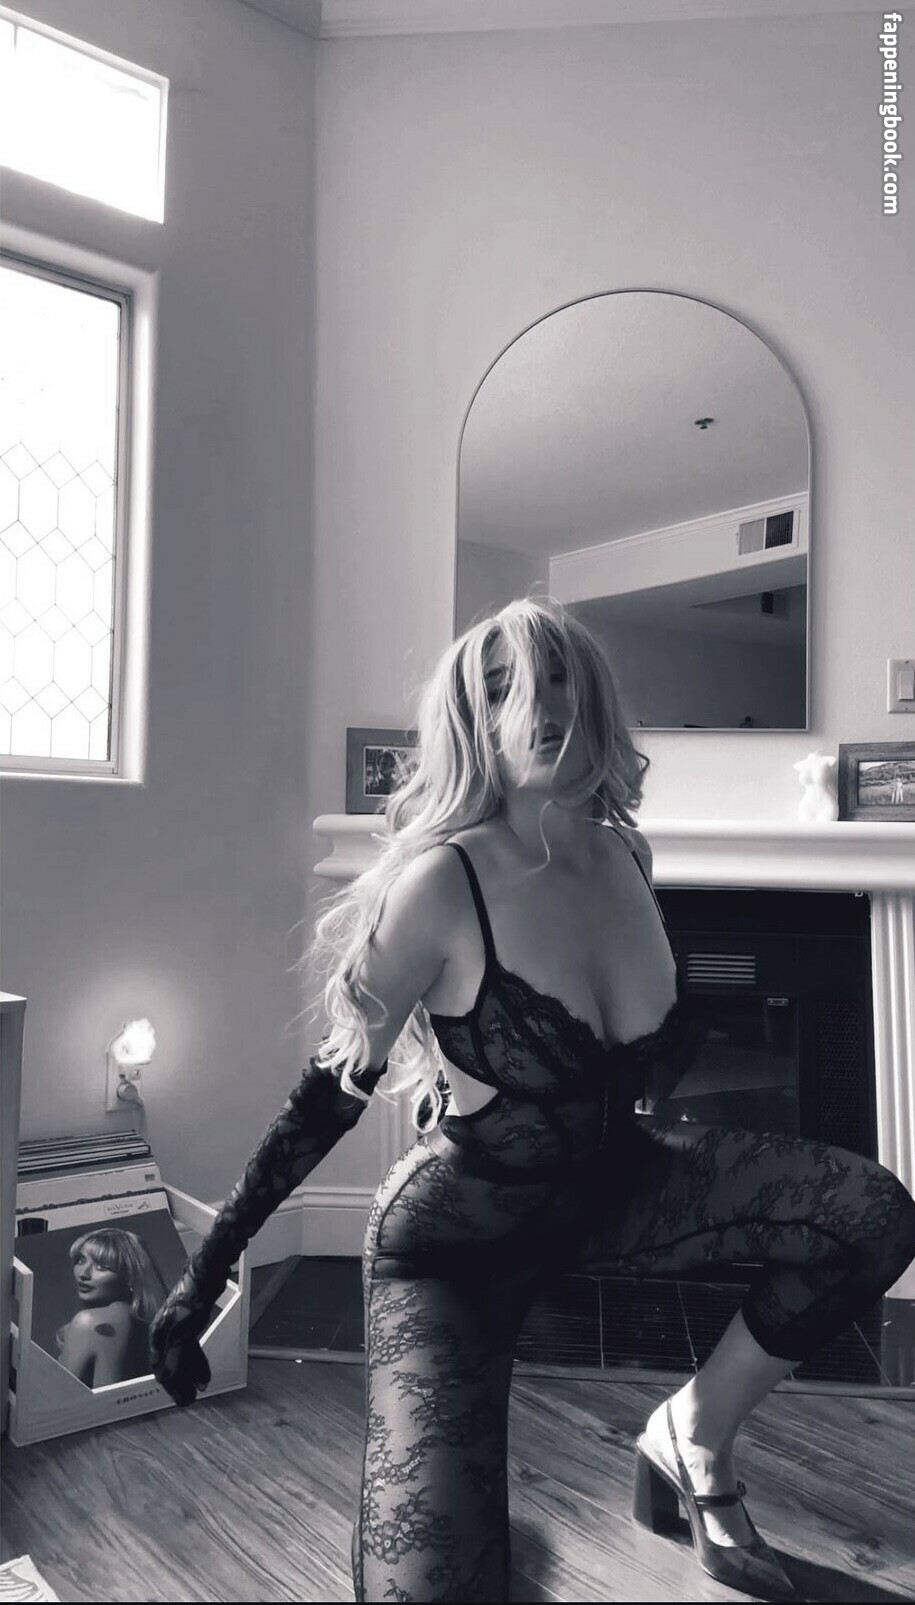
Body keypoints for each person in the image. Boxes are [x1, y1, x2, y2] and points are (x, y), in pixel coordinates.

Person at [150, 596, 915, 1604]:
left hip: (617, 1192)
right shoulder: (440, 882)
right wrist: (204, 1275)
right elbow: (326, 1096)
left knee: (871, 1213)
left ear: (589, 693)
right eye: (505, 687)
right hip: (456, 1246)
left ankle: (692, 1433)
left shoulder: (627, 855)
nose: (541, 706)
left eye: (557, 677)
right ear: (471, 720)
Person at [56, 1228, 168, 1388]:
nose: (83, 1274)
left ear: (130, 1277)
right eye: (81, 1260)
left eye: (102, 1267)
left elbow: (57, 1398)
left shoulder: (89, 1322)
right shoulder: (147, 1324)